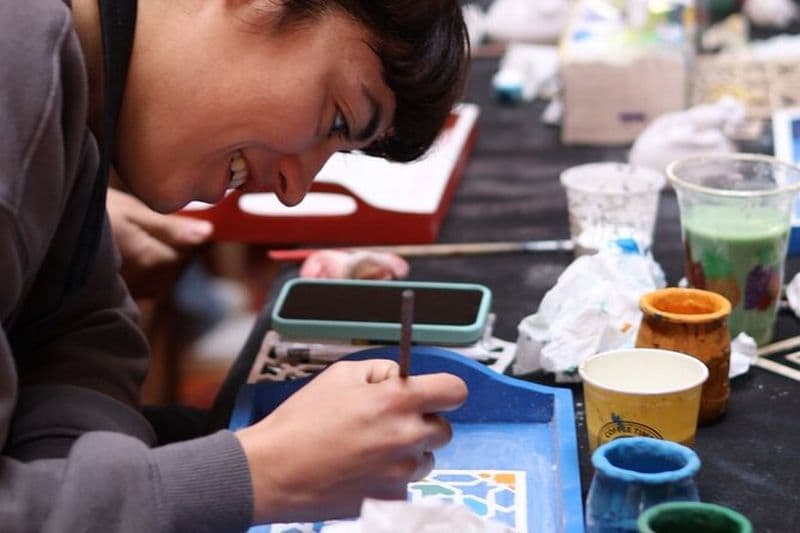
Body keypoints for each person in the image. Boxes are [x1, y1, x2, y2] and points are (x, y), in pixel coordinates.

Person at [0, 1, 469, 531]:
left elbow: (78, 333)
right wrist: (253, 476)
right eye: (337, 119)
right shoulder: (13, 64)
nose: (293, 192)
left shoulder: (71, 96)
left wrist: (93, 493)